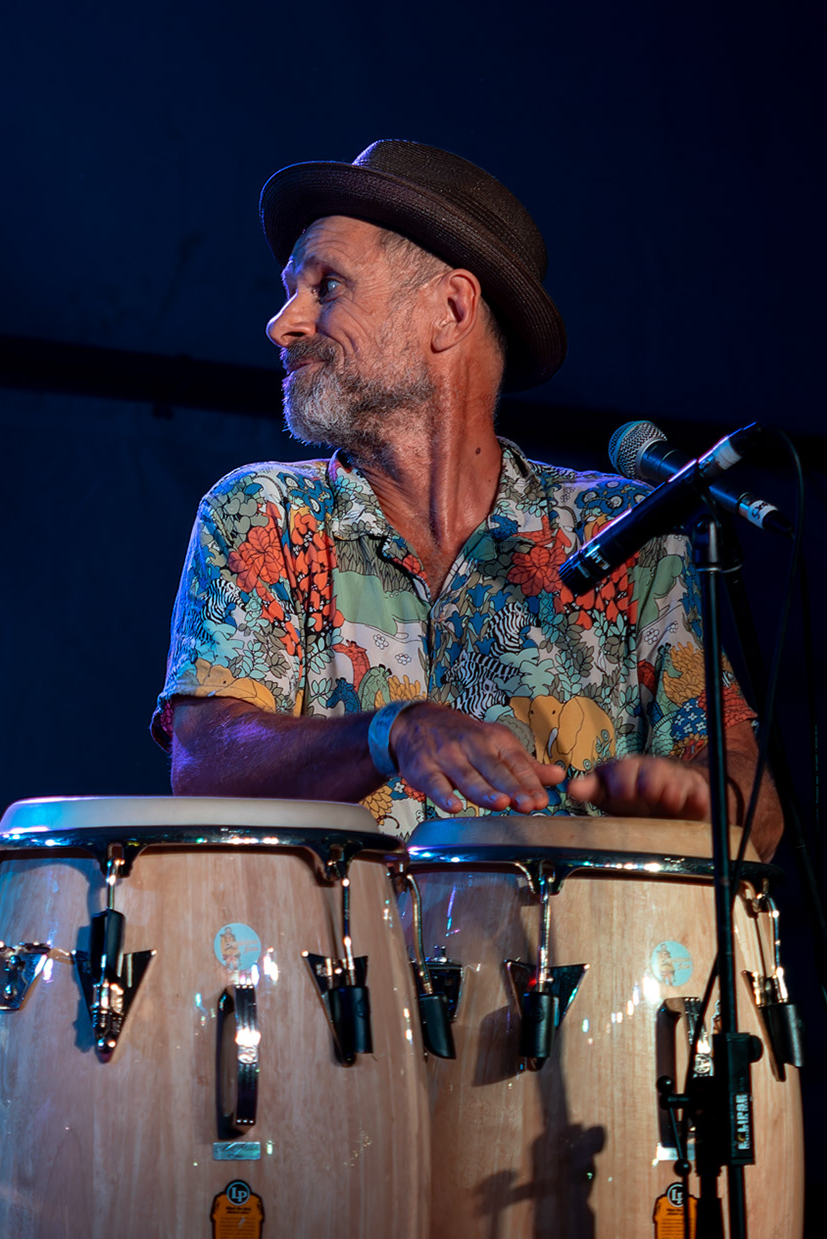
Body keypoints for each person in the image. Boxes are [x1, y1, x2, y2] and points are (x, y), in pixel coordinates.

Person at [154, 139, 780, 853]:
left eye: (326, 287)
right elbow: (204, 767)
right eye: (291, 289)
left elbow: (757, 806)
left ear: (451, 310)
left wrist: (705, 797)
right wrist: (391, 731)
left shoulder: (623, 535)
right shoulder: (262, 514)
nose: (282, 323)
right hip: (334, 931)